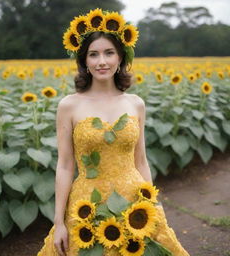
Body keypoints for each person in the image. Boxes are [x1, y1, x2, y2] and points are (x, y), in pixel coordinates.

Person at [37, 8, 189, 256]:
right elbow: (64, 166)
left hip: (133, 201)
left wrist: (152, 206)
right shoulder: (69, 106)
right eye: (93, 54)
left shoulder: (135, 104)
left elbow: (141, 160)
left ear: (120, 57)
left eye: (109, 53)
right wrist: (59, 221)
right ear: (84, 60)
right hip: (87, 204)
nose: (102, 61)